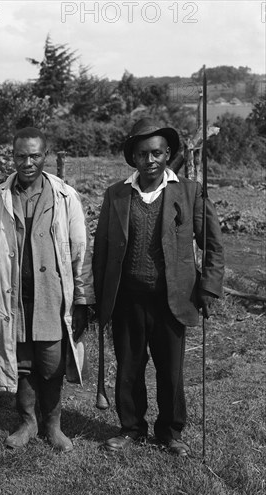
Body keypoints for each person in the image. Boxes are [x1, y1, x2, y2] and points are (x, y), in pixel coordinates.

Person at [92, 118, 224, 457]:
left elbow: (212, 245)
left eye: (156, 153)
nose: (150, 161)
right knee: (129, 366)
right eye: (142, 154)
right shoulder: (117, 195)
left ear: (168, 155)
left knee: (171, 370)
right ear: (133, 158)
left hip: (173, 298)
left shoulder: (189, 192)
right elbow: (103, 250)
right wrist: (97, 298)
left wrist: (208, 289)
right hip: (127, 299)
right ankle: (131, 429)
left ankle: (170, 432)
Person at [0, 127, 94, 452]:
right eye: (21, 156)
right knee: (21, 362)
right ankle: (27, 422)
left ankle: (54, 426)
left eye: (34, 155)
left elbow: (80, 252)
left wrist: (82, 299)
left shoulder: (65, 197)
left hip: (53, 298)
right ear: (13, 157)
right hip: (13, 298)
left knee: (52, 365)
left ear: (45, 156)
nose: (28, 162)